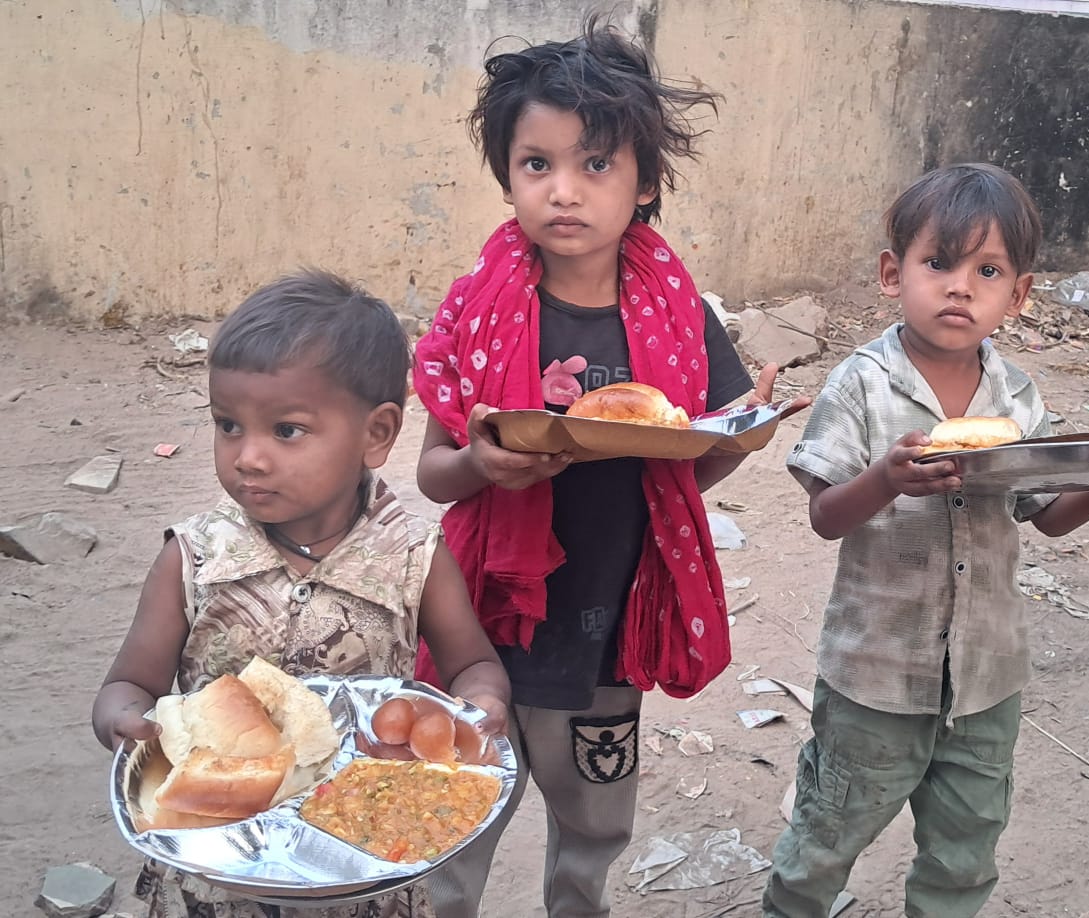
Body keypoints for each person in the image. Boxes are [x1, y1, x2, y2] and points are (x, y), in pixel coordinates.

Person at [411, 17, 790, 918]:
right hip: (483, 622)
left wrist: (735, 438)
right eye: (536, 164)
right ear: (507, 175)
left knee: (592, 823)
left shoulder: (676, 311)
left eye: (595, 165)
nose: (563, 192)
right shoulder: (479, 309)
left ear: (644, 182)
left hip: (611, 621)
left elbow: (689, 464)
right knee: (454, 808)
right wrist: (481, 464)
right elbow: (432, 474)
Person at [762, 163, 1089, 918]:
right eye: (939, 263)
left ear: (1017, 295)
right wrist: (888, 480)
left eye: (986, 270)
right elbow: (827, 516)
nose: (960, 287)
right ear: (894, 275)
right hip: (878, 675)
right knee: (828, 835)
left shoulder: (1016, 397)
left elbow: (1047, 514)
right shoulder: (861, 385)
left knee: (966, 848)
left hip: (986, 679)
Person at [91, 271, 511, 918]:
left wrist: (479, 707)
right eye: (228, 426)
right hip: (219, 863)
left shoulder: (410, 558)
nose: (248, 457)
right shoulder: (194, 557)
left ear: (376, 435)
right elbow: (127, 686)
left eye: (286, 431)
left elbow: (473, 666)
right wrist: (127, 722)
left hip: (361, 857)